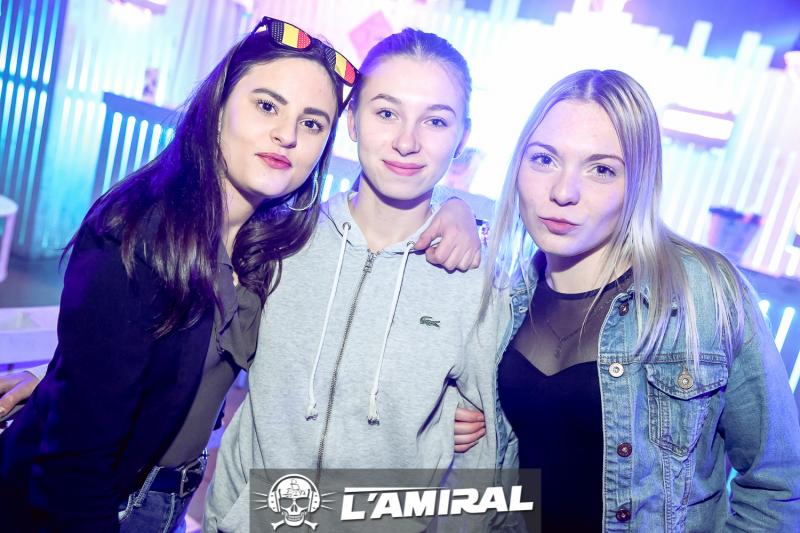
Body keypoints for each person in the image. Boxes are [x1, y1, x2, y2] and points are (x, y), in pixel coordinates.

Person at [0, 16, 354, 531]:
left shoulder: (269, 245)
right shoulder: (136, 234)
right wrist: (67, 388)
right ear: (219, 108)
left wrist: (450, 211)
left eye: (313, 123)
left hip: (176, 497)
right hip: (104, 503)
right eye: (267, 105)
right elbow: (72, 470)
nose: (287, 135)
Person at [456, 69, 800, 531]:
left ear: (638, 182)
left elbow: (778, 485)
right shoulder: (504, 293)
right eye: (544, 159)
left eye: (601, 169)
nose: (563, 192)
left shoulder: (703, 293)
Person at [204, 28, 512, 531]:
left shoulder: (473, 281)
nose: (407, 142)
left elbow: (485, 461)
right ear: (351, 119)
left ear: (462, 138)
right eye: (386, 113)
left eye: (436, 121)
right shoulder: (280, 240)